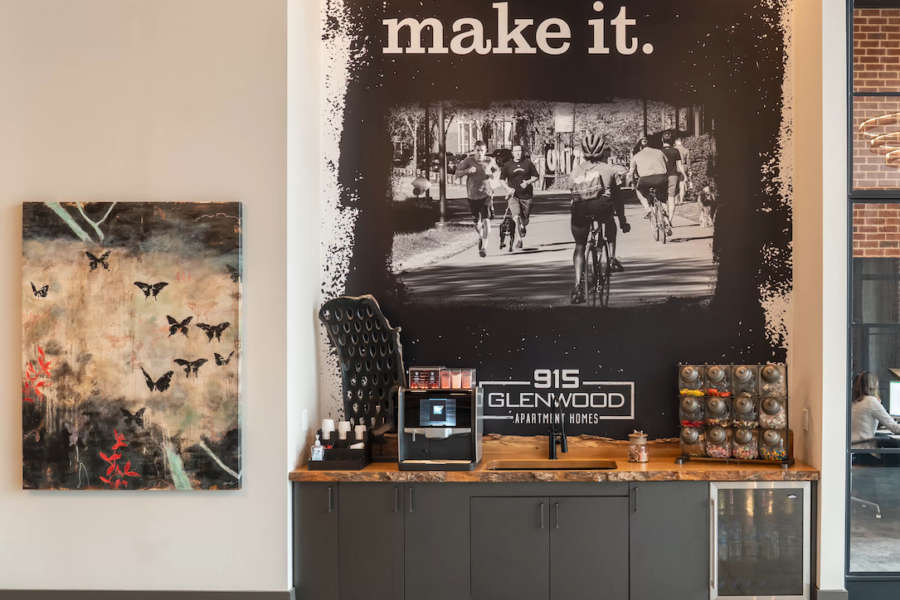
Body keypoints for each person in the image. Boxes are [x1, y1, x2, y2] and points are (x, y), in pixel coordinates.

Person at [568, 132, 630, 304]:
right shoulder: (609, 169)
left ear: (583, 152)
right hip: (601, 208)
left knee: (579, 246)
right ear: (603, 151)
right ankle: (611, 259)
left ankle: (577, 287)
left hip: (579, 210)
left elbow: (571, 195)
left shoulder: (575, 171)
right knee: (609, 221)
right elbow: (618, 198)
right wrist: (623, 221)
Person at [455, 141, 500, 258]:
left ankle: (484, 248)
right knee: (477, 223)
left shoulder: (490, 161)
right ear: (474, 150)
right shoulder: (468, 161)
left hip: (486, 195)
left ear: (485, 151)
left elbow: (498, 172)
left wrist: (491, 174)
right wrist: (467, 171)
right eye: (478, 150)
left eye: (482, 150)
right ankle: (481, 236)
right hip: (472, 196)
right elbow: (457, 173)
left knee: (486, 220)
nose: (480, 153)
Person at [851, 371, 900, 464]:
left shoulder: (855, 401)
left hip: (853, 451)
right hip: (865, 452)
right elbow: (895, 428)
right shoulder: (871, 401)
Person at [628, 137, 673, 236]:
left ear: (640, 147)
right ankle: (666, 219)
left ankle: (647, 208)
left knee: (639, 190)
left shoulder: (636, 156)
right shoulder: (659, 152)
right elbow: (668, 166)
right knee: (662, 198)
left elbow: (631, 174)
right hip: (661, 178)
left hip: (645, 179)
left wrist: (634, 183)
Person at [499, 144, 539, 250]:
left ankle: (523, 226)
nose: (518, 153)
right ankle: (519, 240)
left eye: (520, 151)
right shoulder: (508, 165)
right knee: (515, 217)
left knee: (524, 220)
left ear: (522, 152)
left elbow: (536, 176)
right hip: (513, 196)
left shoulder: (528, 164)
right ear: (512, 153)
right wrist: (508, 189)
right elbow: (501, 179)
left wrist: (528, 182)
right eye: (515, 151)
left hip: (526, 196)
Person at [661, 131, 687, 228]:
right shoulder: (675, 151)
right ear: (672, 141)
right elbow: (680, 166)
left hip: (662, 176)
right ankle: (670, 220)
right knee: (671, 198)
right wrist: (684, 175)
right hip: (673, 176)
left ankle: (664, 215)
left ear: (662, 140)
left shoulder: (659, 151)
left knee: (662, 197)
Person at [674, 134, 692, 205]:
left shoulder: (673, 149)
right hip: (683, 167)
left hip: (675, 167)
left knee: (675, 184)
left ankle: (675, 201)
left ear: (675, 142)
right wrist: (689, 169)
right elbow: (688, 162)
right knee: (682, 184)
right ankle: (681, 200)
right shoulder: (686, 150)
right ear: (682, 141)